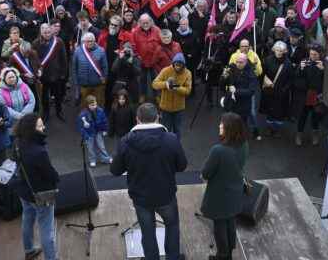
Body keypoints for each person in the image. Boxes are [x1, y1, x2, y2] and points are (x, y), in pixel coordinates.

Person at [110, 103, 188, 260]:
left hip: (141, 197)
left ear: (138, 120)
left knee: (148, 232)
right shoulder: (171, 139)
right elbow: (182, 166)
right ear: (158, 117)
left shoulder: (126, 142)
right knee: (172, 227)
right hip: (166, 195)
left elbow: (115, 171)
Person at [11, 113, 60, 260]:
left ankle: (29, 249)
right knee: (47, 230)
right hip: (40, 195)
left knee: (27, 219)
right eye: (40, 126)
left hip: (24, 190)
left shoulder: (18, 142)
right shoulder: (39, 151)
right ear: (31, 130)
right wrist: (56, 178)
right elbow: (50, 174)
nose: (43, 127)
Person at [200, 112, 248, 260]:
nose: (219, 125)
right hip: (235, 192)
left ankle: (222, 255)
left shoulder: (218, 150)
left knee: (219, 225)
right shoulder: (244, 145)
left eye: (223, 123)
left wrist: (203, 175)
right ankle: (229, 252)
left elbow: (206, 173)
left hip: (219, 195)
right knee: (230, 220)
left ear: (230, 129)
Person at [151, 53, 193, 138]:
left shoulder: (187, 73)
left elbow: (188, 90)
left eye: (180, 65)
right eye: (176, 65)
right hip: (166, 107)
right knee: (166, 129)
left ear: (183, 65)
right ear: (173, 64)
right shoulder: (166, 70)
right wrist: (165, 84)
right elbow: (154, 84)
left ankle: (176, 147)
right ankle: (166, 147)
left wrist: (177, 88)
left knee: (177, 129)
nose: (177, 67)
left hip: (179, 108)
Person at [72, 32, 108, 108]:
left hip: (98, 85)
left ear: (95, 41)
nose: (89, 43)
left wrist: (104, 79)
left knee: (98, 105)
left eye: (91, 41)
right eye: (87, 41)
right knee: (84, 106)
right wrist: (76, 83)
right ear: (83, 41)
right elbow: (74, 69)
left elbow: (105, 67)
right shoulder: (77, 51)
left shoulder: (101, 51)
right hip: (83, 85)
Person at [77, 95, 112, 167]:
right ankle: (92, 160)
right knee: (90, 148)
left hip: (98, 131)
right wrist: (86, 136)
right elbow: (81, 127)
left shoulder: (100, 111)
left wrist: (105, 130)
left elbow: (104, 121)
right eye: (92, 105)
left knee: (101, 146)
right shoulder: (83, 114)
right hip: (89, 134)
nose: (94, 106)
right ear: (88, 105)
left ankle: (105, 158)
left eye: (95, 104)